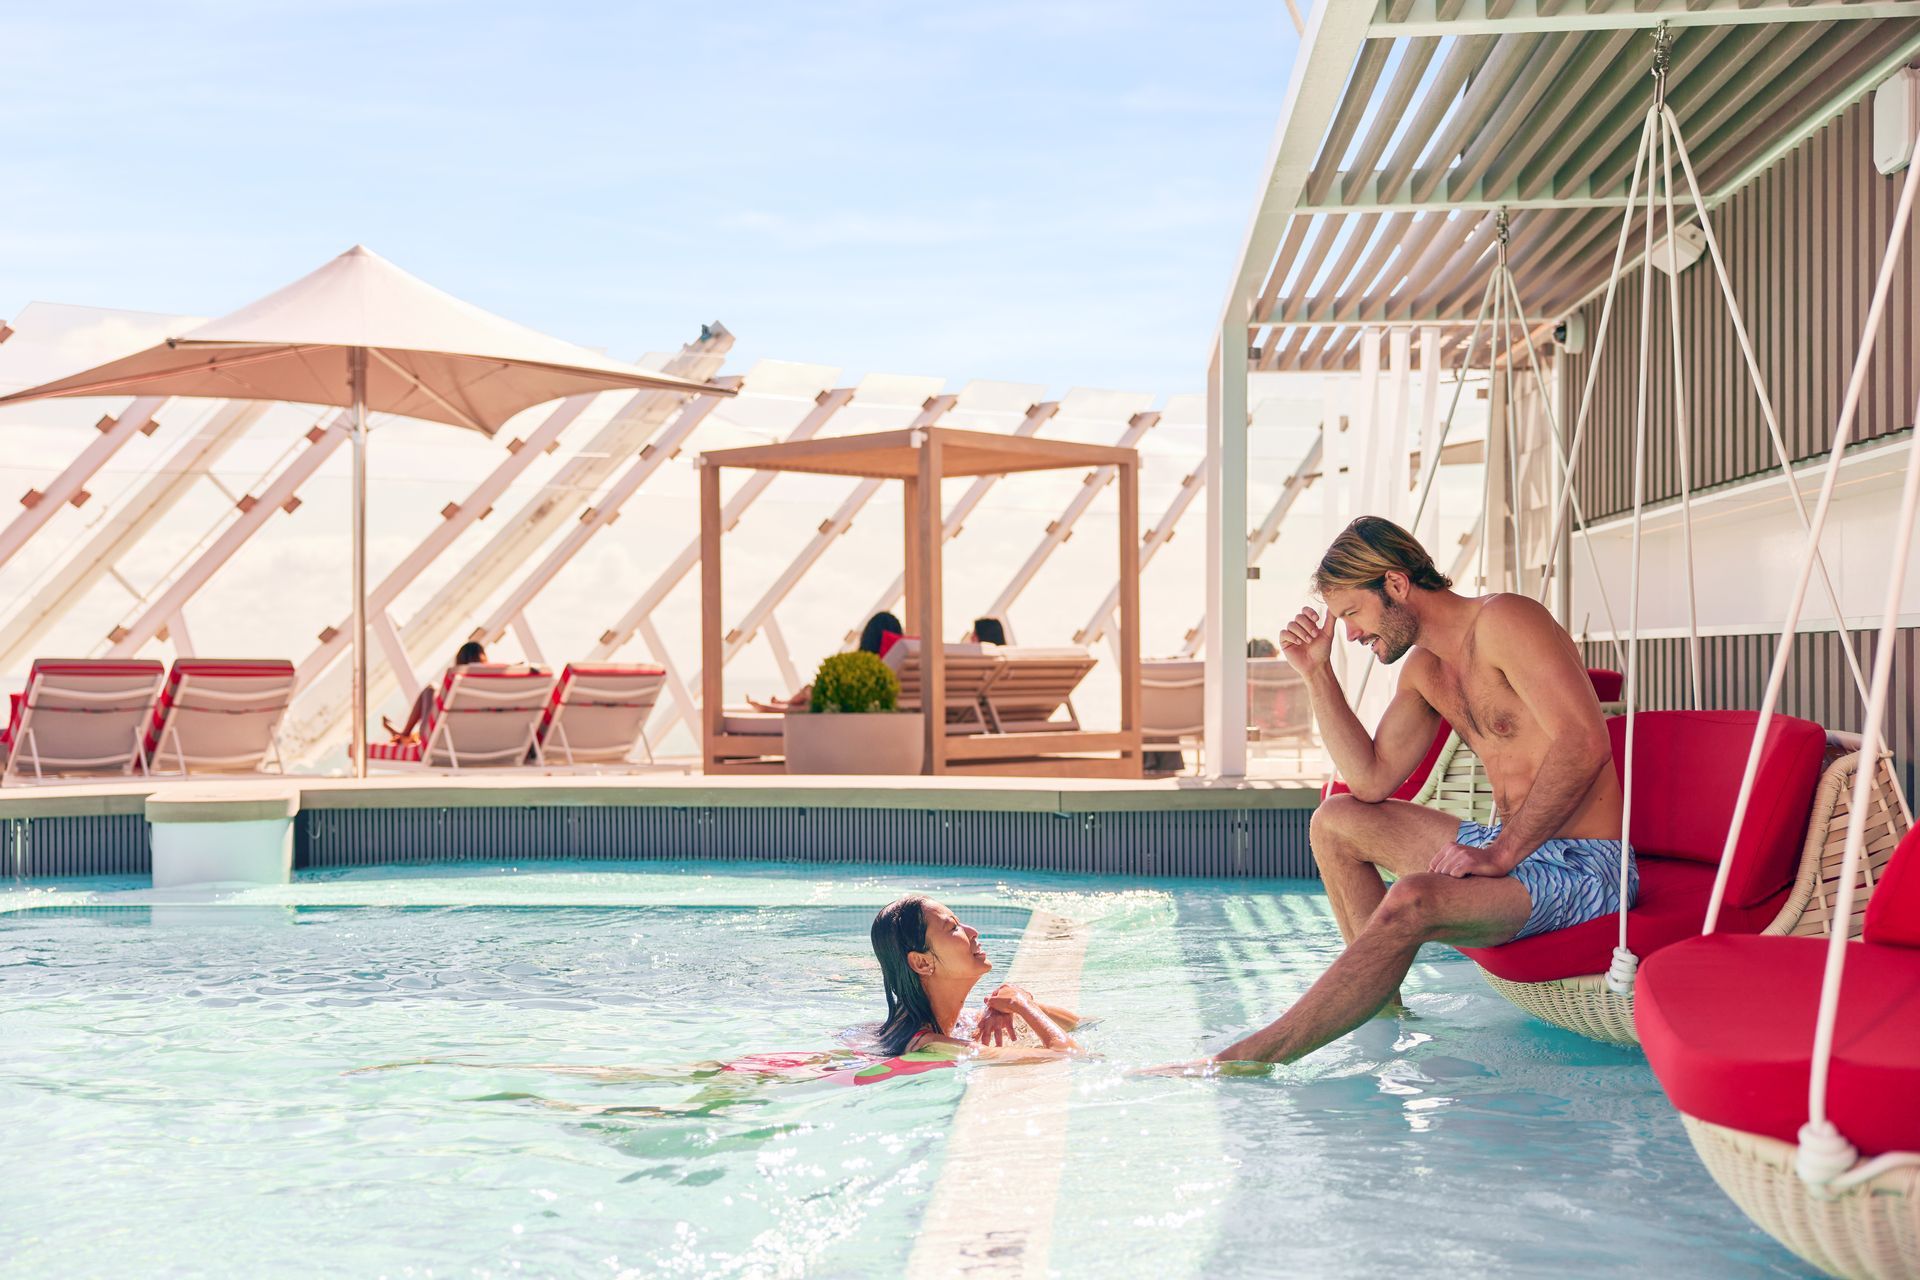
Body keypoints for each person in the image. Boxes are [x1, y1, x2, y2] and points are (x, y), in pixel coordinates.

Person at [1208, 516, 1626, 1066]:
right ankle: (1379, 1015)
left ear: (1397, 584)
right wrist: (1316, 674)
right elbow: (1371, 780)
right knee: (1334, 821)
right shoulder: (1426, 670)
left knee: (1412, 898)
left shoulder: (1506, 620)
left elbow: (1584, 742)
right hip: (1511, 851)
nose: (1351, 634)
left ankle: (1250, 1058)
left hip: (1586, 867)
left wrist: (1499, 852)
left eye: (1353, 614)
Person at [870, 895, 1080, 1056]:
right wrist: (1021, 1004)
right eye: (953, 927)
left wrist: (1008, 1004)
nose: (972, 931)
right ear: (922, 962)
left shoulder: (959, 1021)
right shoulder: (931, 1045)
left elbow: (1078, 1024)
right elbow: (1068, 1055)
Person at [747, 611, 903, 713]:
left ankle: (777, 707)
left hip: (857, 706)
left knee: (813, 698)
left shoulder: (869, 668)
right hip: (869, 705)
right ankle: (782, 704)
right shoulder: (901, 660)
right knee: (812, 696)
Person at [383, 640, 487, 744]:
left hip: (446, 740)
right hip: (481, 739)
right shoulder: (494, 685)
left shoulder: (457, 682)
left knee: (430, 689)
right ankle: (407, 736)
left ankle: (405, 735)